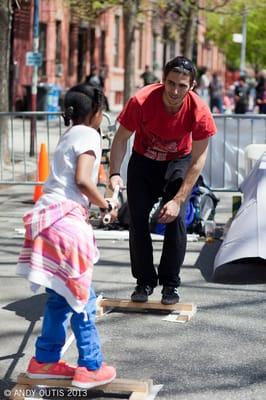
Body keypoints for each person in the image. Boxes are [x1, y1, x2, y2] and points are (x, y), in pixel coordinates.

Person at [16, 84, 118, 388]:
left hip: (46, 219)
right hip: (64, 222)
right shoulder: (89, 134)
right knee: (82, 296)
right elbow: (83, 180)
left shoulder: (69, 133)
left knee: (60, 296)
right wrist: (106, 203)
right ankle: (90, 366)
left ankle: (44, 360)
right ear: (96, 112)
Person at [109, 56, 217, 305]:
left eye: (182, 85)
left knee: (176, 218)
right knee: (137, 217)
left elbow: (198, 161)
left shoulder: (199, 111)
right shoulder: (142, 101)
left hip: (178, 161)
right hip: (143, 161)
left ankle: (170, 284)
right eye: (170, 83)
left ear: (192, 86)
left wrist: (179, 200)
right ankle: (144, 281)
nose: (175, 91)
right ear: (162, 81)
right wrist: (114, 173)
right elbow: (121, 139)